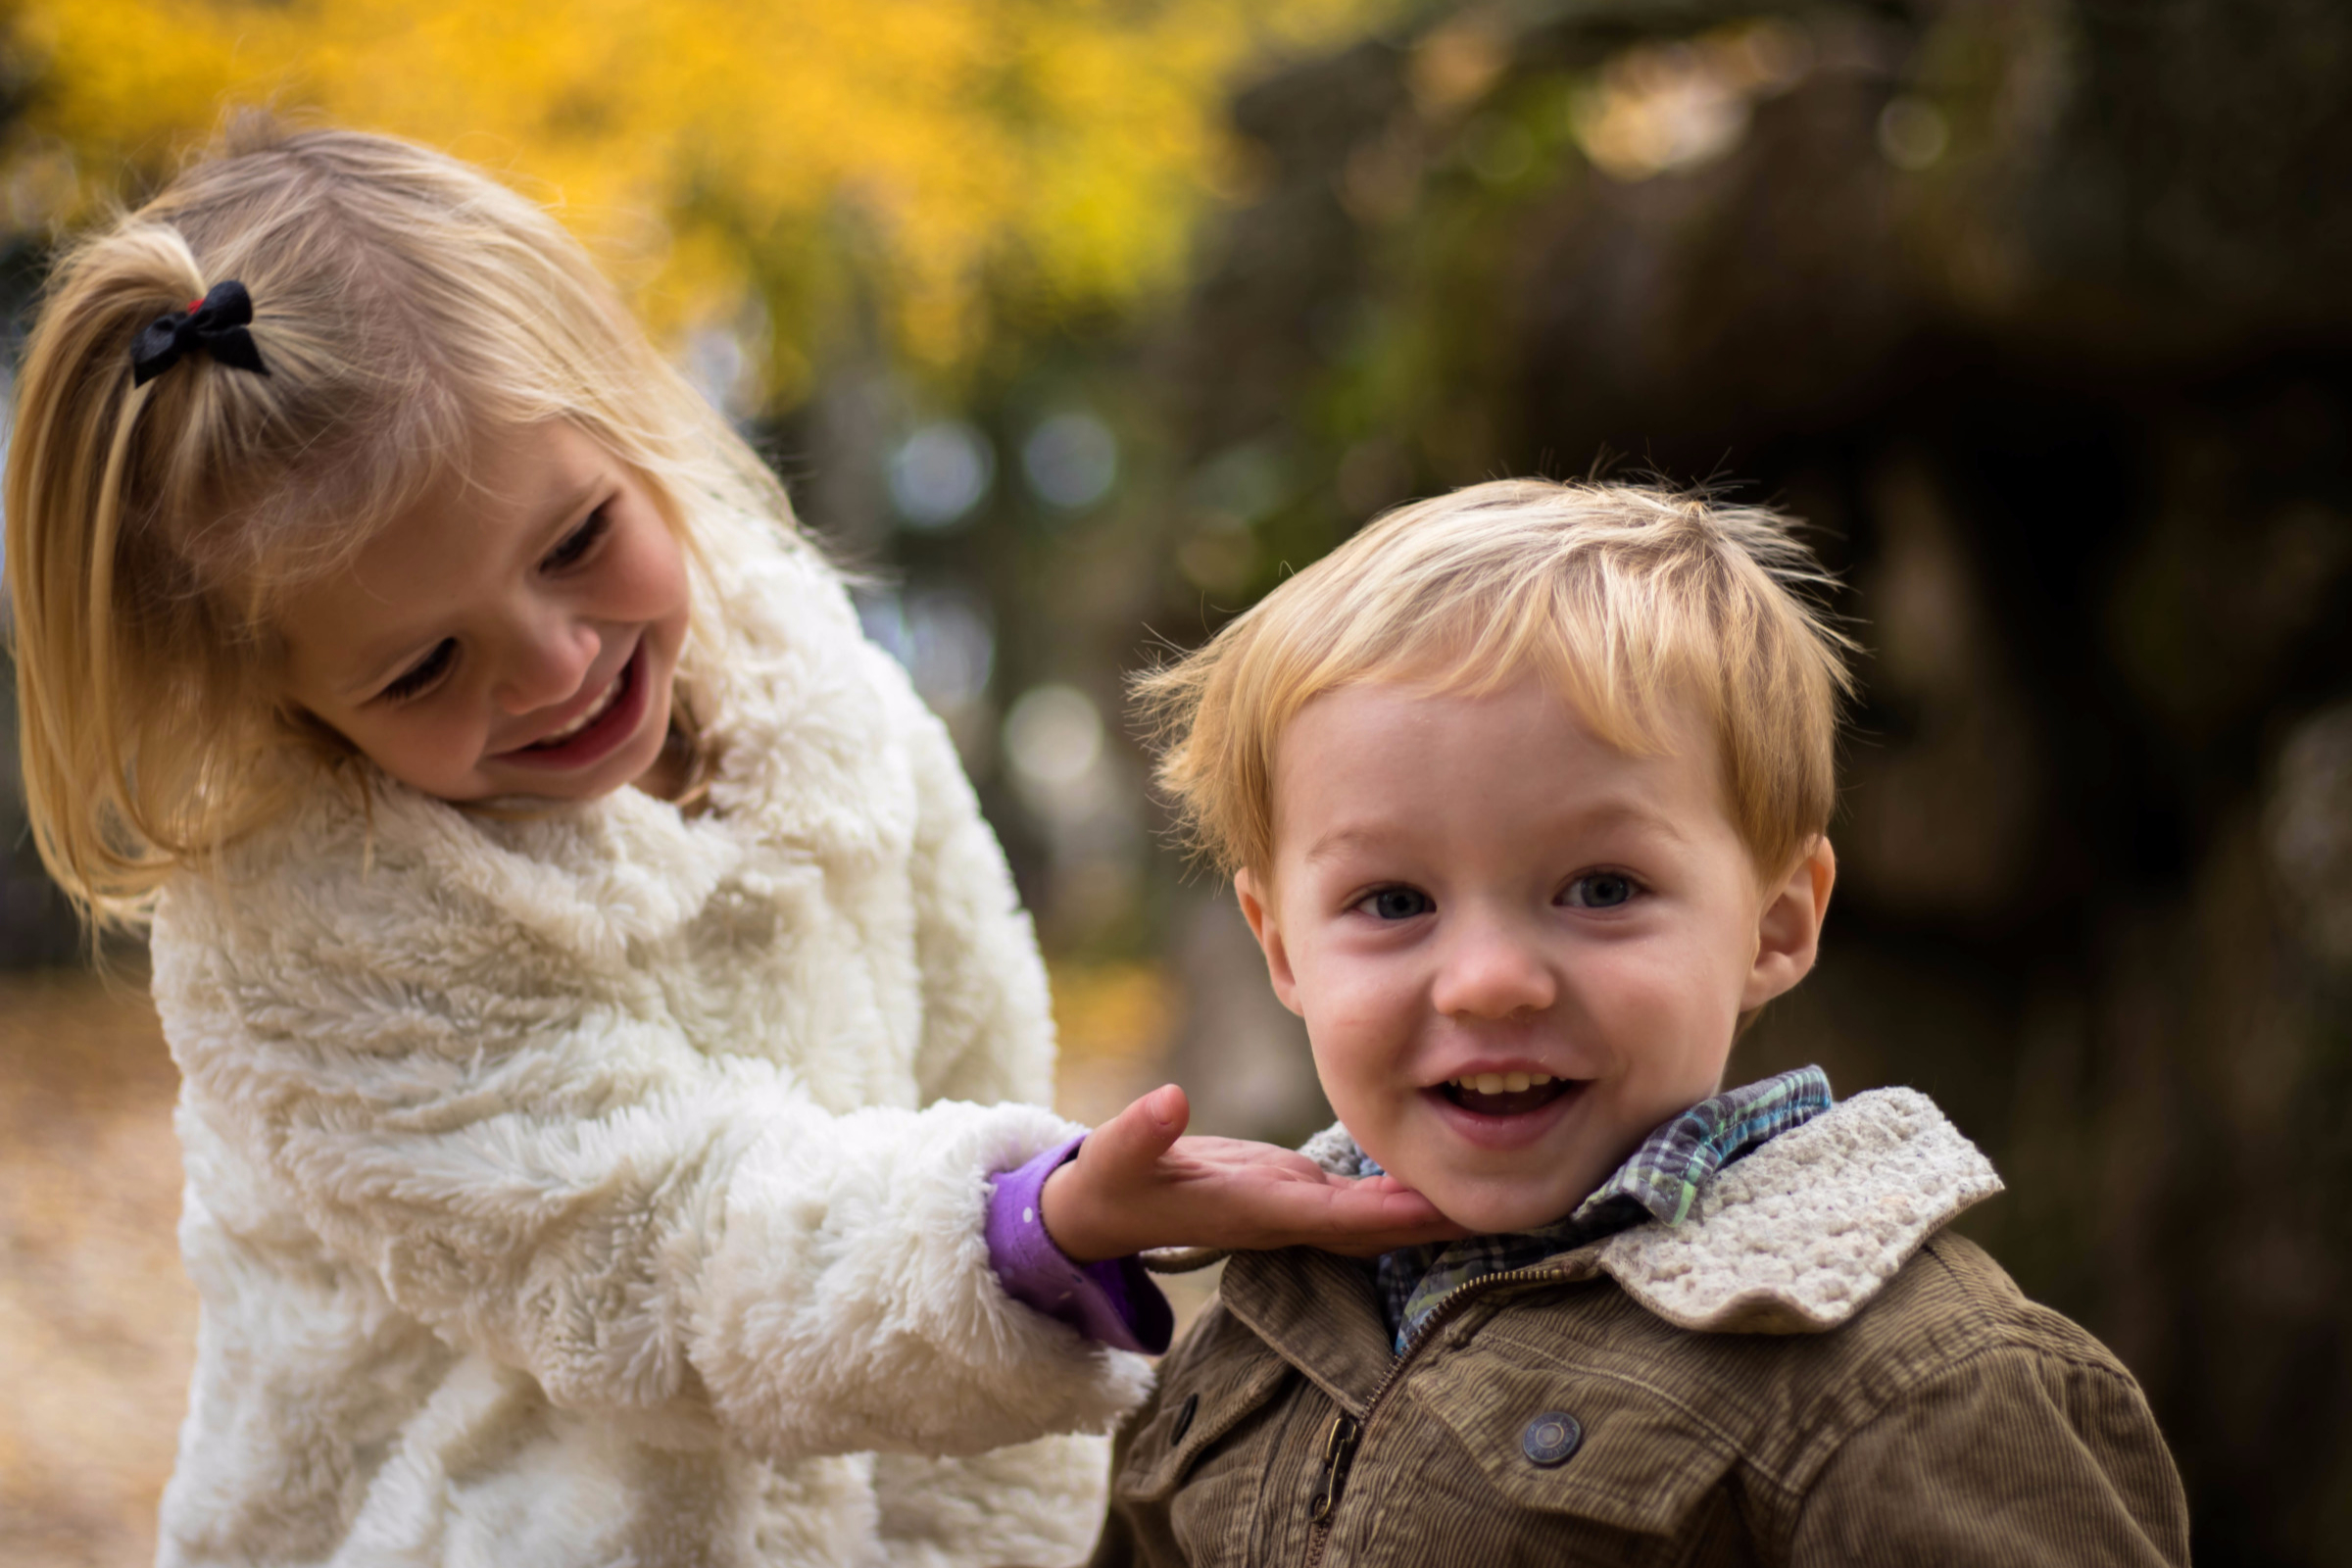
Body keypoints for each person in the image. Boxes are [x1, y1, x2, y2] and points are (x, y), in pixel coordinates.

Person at [2, 121, 1455, 1567]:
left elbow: (967, 1037)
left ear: (638, 427)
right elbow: (653, 1259)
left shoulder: (813, 698)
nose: (555, 665)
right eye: (421, 669)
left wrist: (987, 1499)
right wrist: (1023, 1235)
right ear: (284, 699)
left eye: (576, 540)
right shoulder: (313, 929)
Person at [1038, 479, 2192, 1565]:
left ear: (1776, 923)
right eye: (1394, 902)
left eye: (1600, 889)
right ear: (1281, 946)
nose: (1489, 982)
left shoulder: (1913, 1382)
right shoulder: (1256, 1330)